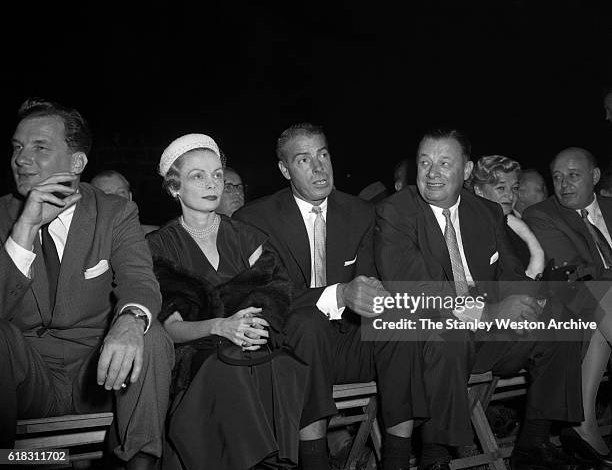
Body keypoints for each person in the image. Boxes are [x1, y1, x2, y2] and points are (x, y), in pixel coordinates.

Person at [375, 128, 583, 470]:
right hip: (432, 332)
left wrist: (533, 301)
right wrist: (492, 311)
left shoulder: (485, 212)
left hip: (488, 333)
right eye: (424, 162)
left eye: (445, 162)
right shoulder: (396, 213)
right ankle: (435, 456)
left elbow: (510, 274)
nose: (432, 172)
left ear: (467, 171)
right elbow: (415, 292)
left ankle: (533, 443)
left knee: (561, 320)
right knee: (449, 335)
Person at [235, 123, 428, 470]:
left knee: (398, 321)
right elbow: (267, 299)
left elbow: (370, 285)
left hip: (349, 343)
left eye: (323, 154)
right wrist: (338, 293)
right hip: (289, 347)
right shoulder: (255, 219)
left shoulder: (362, 213)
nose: (319, 167)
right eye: (304, 160)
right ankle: (314, 460)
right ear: (285, 170)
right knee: (308, 323)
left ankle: (398, 459)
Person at [0, 99, 173, 470]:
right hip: (25, 380)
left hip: (97, 376)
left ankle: (139, 465)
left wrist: (129, 321)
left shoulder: (114, 213)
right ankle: (20, 461)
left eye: (39, 147)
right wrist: (24, 231)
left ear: (76, 163)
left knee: (150, 332)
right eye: (17, 147)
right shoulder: (3, 215)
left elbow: (139, 280)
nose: (21, 158)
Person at [147, 134, 307, 470]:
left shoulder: (245, 236)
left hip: (249, 345)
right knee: (224, 369)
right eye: (198, 176)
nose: (212, 184)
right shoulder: (159, 246)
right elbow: (172, 330)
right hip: (194, 355)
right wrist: (222, 326)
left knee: (282, 363)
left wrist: (254, 326)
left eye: (217, 174)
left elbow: (273, 294)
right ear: (175, 187)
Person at [524, 147, 612, 466]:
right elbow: (577, 270)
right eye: (558, 178)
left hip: (594, 311)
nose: (564, 185)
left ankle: (583, 423)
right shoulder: (541, 214)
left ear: (595, 176)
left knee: (597, 317)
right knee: (598, 293)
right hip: (574, 298)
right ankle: (582, 425)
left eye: (573, 176)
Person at [468, 155, 545, 279]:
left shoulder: (513, 225)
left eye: (514, 188)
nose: (510, 196)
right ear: (478, 190)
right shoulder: (473, 229)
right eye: (501, 188)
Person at [91, 169, 160, 234]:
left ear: (130, 197)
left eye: (121, 192)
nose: (117, 198)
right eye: (108, 194)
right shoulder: (85, 242)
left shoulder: (158, 237)